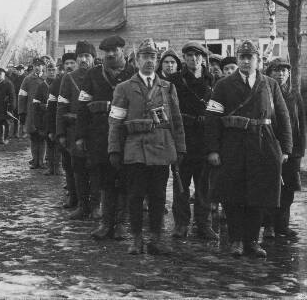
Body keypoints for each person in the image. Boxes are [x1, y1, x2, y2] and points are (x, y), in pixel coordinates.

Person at [205, 39, 292, 258]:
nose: (245, 61)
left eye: (250, 57)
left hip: (263, 145)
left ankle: (252, 241)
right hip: (232, 145)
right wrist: (213, 149)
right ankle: (235, 241)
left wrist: (286, 148)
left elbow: (283, 116)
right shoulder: (223, 85)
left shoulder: (270, 84)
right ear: (238, 59)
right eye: (242, 57)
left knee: (259, 194)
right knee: (233, 194)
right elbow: (212, 118)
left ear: (258, 60)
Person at [108, 38, 186, 255]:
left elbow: (177, 121)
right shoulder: (124, 88)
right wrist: (114, 149)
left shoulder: (168, 88)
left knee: (158, 196)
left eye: (153, 57)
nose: (149, 61)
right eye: (145, 57)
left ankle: (156, 238)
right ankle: (136, 238)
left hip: (161, 149)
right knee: (135, 195)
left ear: (157, 60)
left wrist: (180, 148)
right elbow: (115, 121)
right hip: (135, 149)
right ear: (137, 60)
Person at [76, 35, 135, 240]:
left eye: (115, 50)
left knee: (126, 179)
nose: (110, 54)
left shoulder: (133, 73)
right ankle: (105, 223)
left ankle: (121, 225)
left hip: (127, 135)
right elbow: (82, 107)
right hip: (100, 135)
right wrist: (81, 136)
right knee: (104, 179)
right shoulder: (93, 74)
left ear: (122, 51)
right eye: (106, 51)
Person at [168, 42, 219, 240]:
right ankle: (181, 224)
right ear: (184, 58)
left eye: (197, 56)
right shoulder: (175, 80)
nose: (193, 59)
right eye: (189, 55)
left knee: (204, 186)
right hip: (183, 139)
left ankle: (204, 224)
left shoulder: (213, 80)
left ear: (203, 58)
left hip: (205, 140)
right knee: (181, 185)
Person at [263, 58, 304, 239]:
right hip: (270, 148)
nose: (281, 74)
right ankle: (269, 225)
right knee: (270, 187)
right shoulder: (264, 92)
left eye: (284, 71)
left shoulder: (294, 95)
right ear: (269, 73)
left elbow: (300, 125)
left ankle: (282, 225)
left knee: (288, 190)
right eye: (276, 70)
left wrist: (298, 151)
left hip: (291, 151)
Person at [57, 41, 97, 220]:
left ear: (93, 58)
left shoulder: (100, 75)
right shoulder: (69, 78)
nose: (83, 60)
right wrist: (60, 133)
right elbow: (61, 106)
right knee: (78, 169)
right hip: (73, 130)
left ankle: (96, 206)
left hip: (96, 130)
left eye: (87, 56)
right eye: (80, 56)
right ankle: (82, 205)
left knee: (96, 169)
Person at [49, 52, 77, 207]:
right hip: (63, 128)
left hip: (77, 128)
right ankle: (72, 193)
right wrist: (53, 130)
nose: (69, 66)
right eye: (66, 63)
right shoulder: (57, 82)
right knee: (67, 163)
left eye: (72, 62)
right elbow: (52, 108)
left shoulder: (83, 79)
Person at [18, 58, 46, 168]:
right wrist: (22, 112)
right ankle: (35, 161)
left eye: (40, 65)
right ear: (33, 66)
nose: (38, 67)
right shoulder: (27, 79)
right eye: (36, 65)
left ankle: (42, 161)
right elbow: (22, 97)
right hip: (31, 113)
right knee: (34, 137)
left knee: (42, 137)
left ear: (43, 66)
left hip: (44, 112)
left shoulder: (46, 78)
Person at [38, 63, 59, 174]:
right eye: (49, 70)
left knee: (59, 144)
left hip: (58, 117)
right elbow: (36, 103)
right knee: (49, 143)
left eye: (53, 70)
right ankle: (51, 168)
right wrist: (43, 106)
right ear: (46, 71)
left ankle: (58, 168)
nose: (51, 72)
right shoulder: (42, 85)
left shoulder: (61, 83)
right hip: (47, 118)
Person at [0, 67, 16, 145]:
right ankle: (0, 138)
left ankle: (6, 138)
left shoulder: (8, 84)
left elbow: (12, 96)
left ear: (4, 74)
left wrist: (11, 107)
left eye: (0, 74)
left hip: (6, 107)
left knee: (6, 123)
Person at [12, 64, 27, 138]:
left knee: (23, 116)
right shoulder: (16, 78)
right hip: (16, 99)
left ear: (23, 70)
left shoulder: (25, 78)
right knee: (16, 116)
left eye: (20, 70)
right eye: (17, 70)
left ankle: (24, 131)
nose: (18, 71)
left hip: (23, 99)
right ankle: (16, 132)